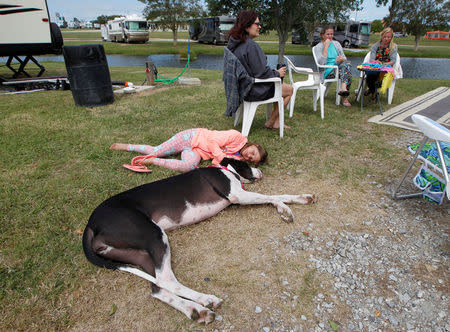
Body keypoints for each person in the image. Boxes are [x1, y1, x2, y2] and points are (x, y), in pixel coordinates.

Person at [227, 10, 293, 130]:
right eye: (257, 24)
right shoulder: (251, 46)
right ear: (247, 26)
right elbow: (261, 73)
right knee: (289, 90)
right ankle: (272, 122)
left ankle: (276, 121)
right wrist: (277, 73)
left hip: (241, 88)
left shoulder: (235, 45)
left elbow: (256, 70)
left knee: (279, 85)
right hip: (253, 89)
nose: (259, 26)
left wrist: (273, 73)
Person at [110, 128, 268, 173]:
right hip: (191, 137)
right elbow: (213, 141)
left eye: (251, 160)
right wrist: (222, 157)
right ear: (254, 145)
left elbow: (214, 161)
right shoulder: (236, 136)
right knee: (158, 150)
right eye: (252, 153)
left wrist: (230, 162)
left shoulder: (238, 158)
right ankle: (126, 146)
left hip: (197, 152)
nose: (249, 156)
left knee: (189, 167)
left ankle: (152, 161)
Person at [313, 25, 353, 107]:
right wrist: (326, 47)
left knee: (346, 65)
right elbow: (321, 63)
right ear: (322, 35)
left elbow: (344, 57)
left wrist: (341, 59)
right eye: (328, 34)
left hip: (339, 68)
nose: (330, 36)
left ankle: (343, 88)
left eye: (331, 34)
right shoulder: (318, 47)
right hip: (327, 71)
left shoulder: (336, 44)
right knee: (346, 70)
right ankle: (344, 97)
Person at [365, 27, 398, 101]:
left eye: (388, 37)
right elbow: (372, 59)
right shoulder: (375, 46)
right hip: (376, 66)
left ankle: (371, 90)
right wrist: (377, 63)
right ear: (382, 36)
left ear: (391, 37)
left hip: (387, 67)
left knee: (382, 76)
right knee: (370, 74)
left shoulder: (394, 47)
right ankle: (373, 91)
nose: (386, 39)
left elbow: (393, 61)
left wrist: (384, 64)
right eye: (385, 37)